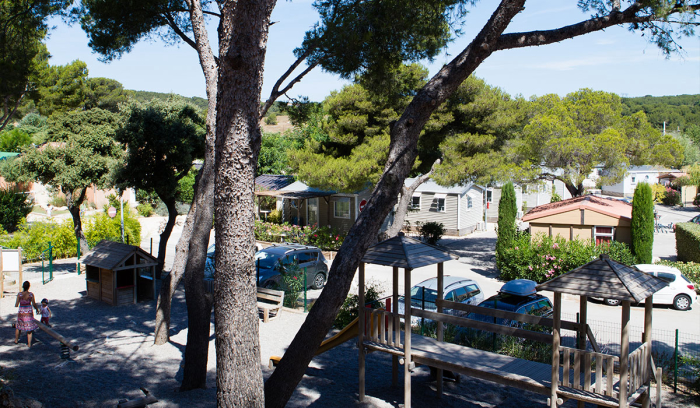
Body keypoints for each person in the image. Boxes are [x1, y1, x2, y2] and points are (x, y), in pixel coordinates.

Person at [15, 281, 39, 347]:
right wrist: (37, 309)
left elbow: (16, 304)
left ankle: (16, 340)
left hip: (21, 311)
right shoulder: (31, 294)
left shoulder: (19, 294)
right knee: (29, 329)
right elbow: (34, 303)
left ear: (23, 286)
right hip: (28, 311)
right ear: (29, 287)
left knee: (18, 326)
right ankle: (29, 344)